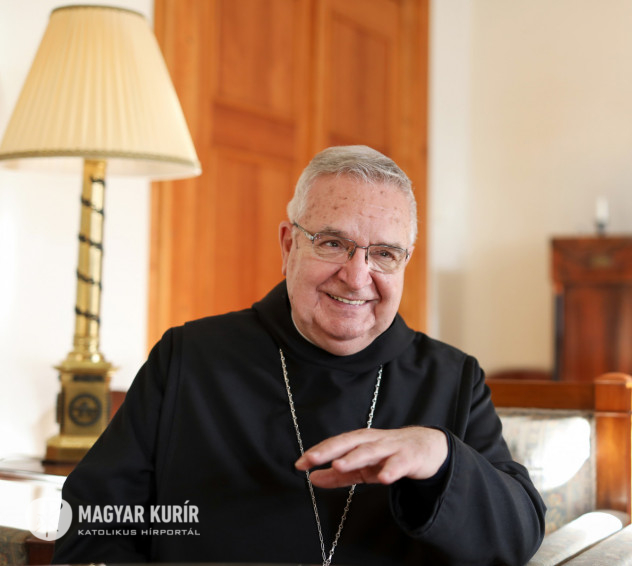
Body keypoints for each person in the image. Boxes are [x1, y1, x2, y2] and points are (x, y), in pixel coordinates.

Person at [52, 145, 546, 566]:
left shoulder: (452, 378)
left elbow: (518, 538)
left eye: (384, 254)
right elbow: (95, 522)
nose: (357, 276)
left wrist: (440, 456)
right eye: (333, 243)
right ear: (289, 245)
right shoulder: (190, 358)